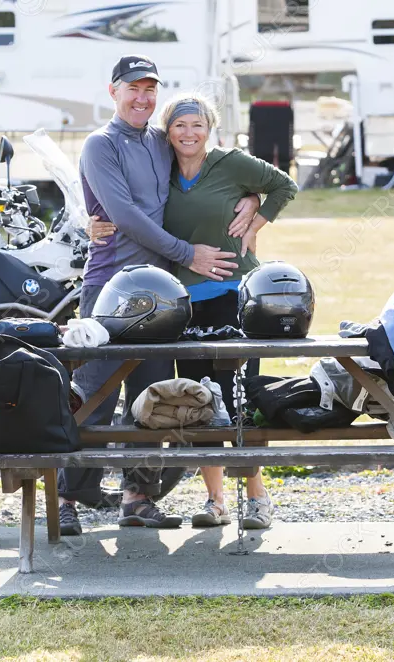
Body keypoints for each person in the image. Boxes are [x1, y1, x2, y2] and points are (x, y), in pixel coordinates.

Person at [58, 56, 261, 536]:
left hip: (163, 297)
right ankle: (65, 497)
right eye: (133, 89)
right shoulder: (100, 145)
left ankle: (138, 496)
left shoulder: (160, 140)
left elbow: (206, 162)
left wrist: (252, 196)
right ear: (113, 92)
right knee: (93, 397)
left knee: (151, 400)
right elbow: (124, 214)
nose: (142, 98)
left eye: (150, 90)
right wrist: (187, 253)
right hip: (110, 292)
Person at [89, 92, 299, 529]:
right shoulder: (160, 167)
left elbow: (284, 184)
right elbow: (125, 205)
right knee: (199, 403)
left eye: (197, 125)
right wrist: (89, 222)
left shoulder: (229, 162)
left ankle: (256, 499)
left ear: (210, 129)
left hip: (234, 299)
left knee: (238, 398)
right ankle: (216, 501)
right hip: (182, 306)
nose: (189, 133)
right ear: (168, 131)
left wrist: (256, 213)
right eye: (180, 125)